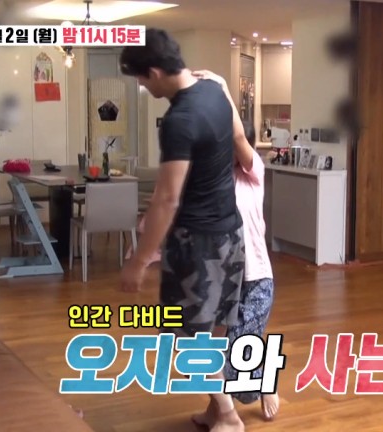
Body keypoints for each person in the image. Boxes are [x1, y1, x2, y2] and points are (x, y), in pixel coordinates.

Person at [118, 29, 245, 432]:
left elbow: (167, 199)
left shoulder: (179, 119)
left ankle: (228, 415)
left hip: (197, 243)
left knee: (185, 335)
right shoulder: (215, 90)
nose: (143, 87)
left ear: (154, 73)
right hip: (231, 234)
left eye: (141, 80)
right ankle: (216, 409)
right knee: (215, 328)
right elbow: (239, 138)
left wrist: (139, 261)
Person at [192, 70, 280, 421]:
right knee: (202, 351)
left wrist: (224, 89)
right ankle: (216, 410)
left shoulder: (253, 174)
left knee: (238, 371)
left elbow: (239, 135)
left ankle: (264, 378)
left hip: (255, 280)